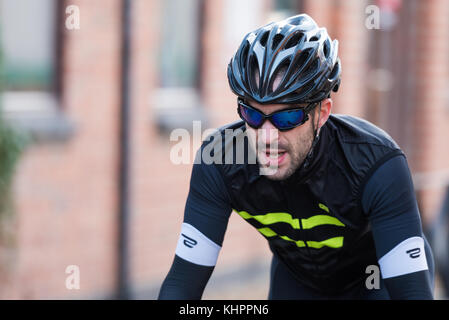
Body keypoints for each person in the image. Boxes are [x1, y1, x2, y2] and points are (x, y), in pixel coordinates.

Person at [158, 14, 434, 300]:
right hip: (299, 282)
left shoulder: (376, 164)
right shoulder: (220, 161)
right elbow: (182, 284)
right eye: (252, 114)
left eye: (287, 117)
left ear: (323, 113)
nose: (267, 136)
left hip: (375, 283)